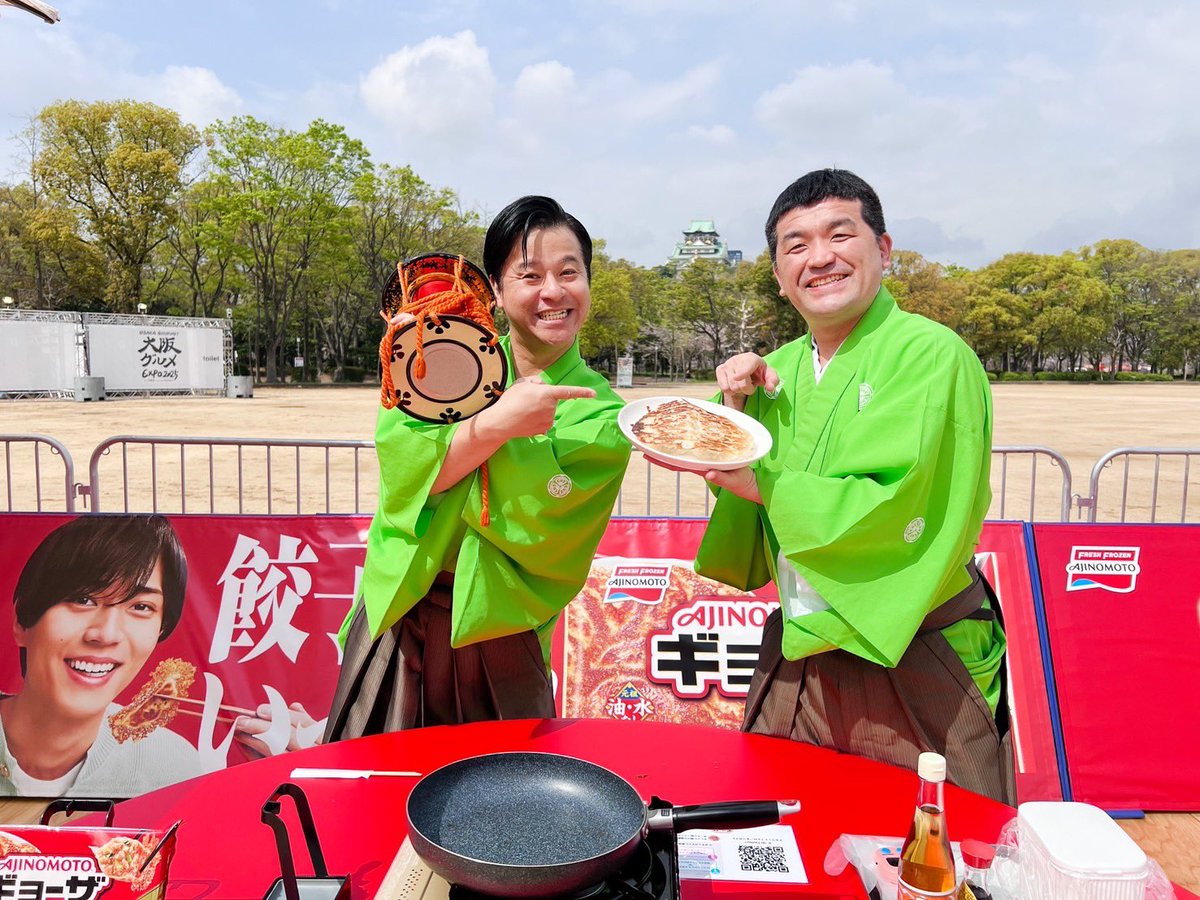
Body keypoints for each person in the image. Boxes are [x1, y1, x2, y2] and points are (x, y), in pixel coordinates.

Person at [687, 169, 1012, 803]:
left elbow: (894, 501)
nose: (821, 258)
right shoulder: (773, 371)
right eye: (797, 245)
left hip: (915, 650)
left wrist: (761, 484)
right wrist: (733, 406)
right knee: (784, 845)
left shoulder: (930, 353)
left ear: (883, 250)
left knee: (931, 856)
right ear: (779, 277)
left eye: (841, 235)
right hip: (800, 653)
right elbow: (743, 499)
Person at [323, 195, 631, 738]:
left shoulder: (603, 411)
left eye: (569, 272)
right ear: (494, 289)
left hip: (502, 630)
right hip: (402, 610)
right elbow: (406, 473)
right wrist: (498, 425)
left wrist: (468, 440)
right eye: (530, 275)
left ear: (588, 281)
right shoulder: (435, 352)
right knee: (370, 788)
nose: (553, 292)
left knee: (507, 804)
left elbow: (547, 532)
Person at [0, 515, 205, 798]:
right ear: (23, 621)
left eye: (141, 606)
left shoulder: (172, 768)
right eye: (83, 599)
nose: (106, 634)